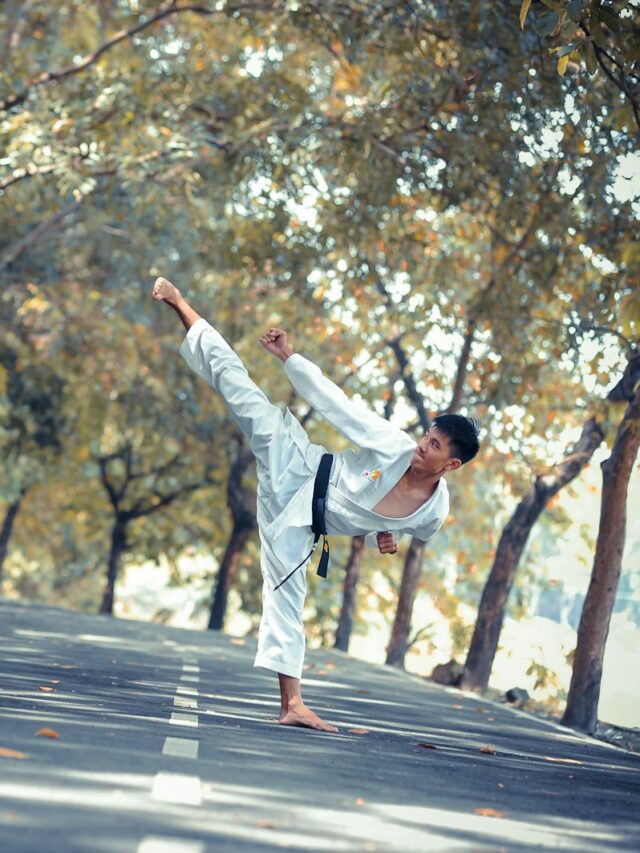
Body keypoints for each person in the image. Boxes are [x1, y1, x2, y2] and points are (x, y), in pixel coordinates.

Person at [152, 276, 480, 733]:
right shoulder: (394, 445)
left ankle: (293, 705)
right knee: (240, 389)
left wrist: (389, 534)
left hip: (304, 522)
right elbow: (340, 406)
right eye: (428, 436)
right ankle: (181, 303)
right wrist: (289, 357)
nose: (424, 446)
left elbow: (404, 528)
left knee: (287, 593)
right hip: (299, 464)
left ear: (453, 464)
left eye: (437, 446)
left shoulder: (432, 513)